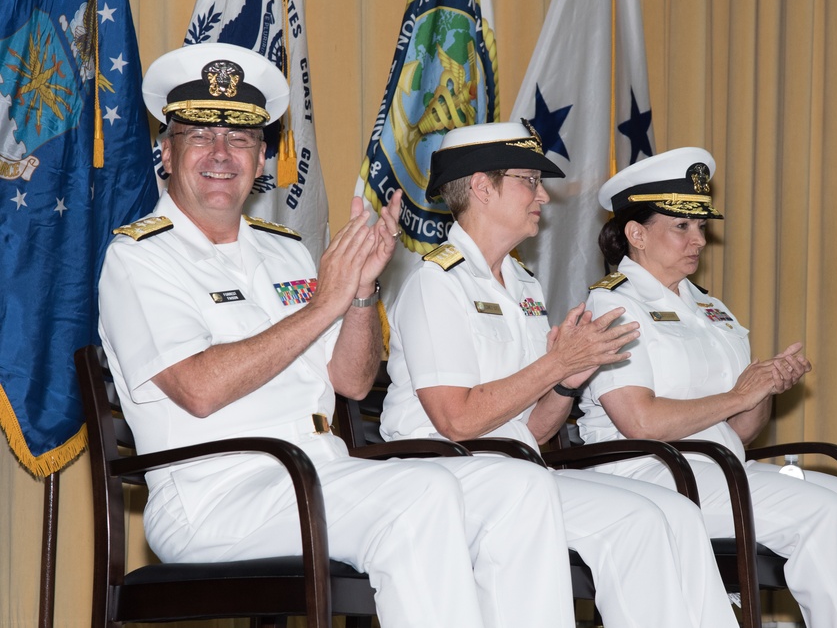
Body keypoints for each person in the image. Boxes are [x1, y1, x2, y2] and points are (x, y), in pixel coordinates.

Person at [98, 42, 582, 628]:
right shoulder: (139, 259)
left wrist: (358, 295)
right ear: (167, 153)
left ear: (260, 158)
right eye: (201, 135)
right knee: (421, 498)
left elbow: (352, 382)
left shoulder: (286, 249)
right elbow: (199, 389)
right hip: (215, 495)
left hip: (321, 472)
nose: (222, 153)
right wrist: (324, 301)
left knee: (517, 488)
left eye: (242, 138)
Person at [381, 121, 739, 628]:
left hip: (514, 467)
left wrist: (571, 379)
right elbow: (457, 422)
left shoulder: (524, 285)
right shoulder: (435, 284)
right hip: (445, 472)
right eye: (529, 180)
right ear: (482, 188)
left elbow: (535, 431)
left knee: (667, 513)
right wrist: (558, 363)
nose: (543, 197)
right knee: (537, 498)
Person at [578, 147, 837, 628]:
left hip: (718, 466)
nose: (699, 240)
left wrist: (765, 387)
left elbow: (741, 430)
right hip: (648, 473)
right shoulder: (613, 305)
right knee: (822, 514)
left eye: (701, 227)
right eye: (681, 226)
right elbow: (639, 421)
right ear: (635, 233)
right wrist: (738, 396)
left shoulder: (712, 311)